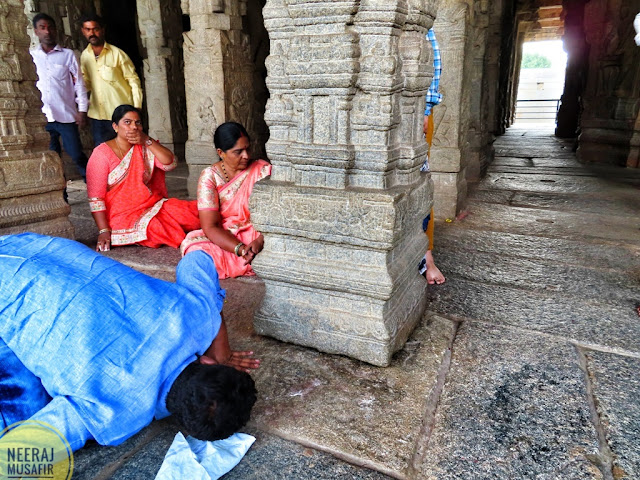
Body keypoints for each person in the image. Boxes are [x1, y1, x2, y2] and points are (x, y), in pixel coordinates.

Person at [0, 232, 259, 451]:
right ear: (182, 422)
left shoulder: (199, 318)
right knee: (21, 411)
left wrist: (216, 332)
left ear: (207, 360)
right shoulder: (112, 418)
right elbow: (21, 452)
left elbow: (198, 259)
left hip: (32, 245)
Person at [86, 104, 200, 251]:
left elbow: (170, 163)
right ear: (115, 126)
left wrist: (146, 140)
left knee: (188, 212)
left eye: (137, 123)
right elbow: (96, 199)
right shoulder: (101, 154)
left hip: (152, 205)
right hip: (122, 216)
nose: (134, 127)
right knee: (158, 228)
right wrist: (103, 230)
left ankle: (221, 222)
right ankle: (193, 237)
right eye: (127, 122)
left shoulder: (145, 145)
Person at [181, 122, 271, 279]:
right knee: (194, 250)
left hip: (261, 233)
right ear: (221, 152)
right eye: (238, 152)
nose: (246, 155)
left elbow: (275, 216)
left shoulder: (262, 170)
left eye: (247, 148)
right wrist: (241, 249)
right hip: (227, 236)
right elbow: (210, 226)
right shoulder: (210, 177)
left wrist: (260, 240)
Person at [30, 13, 89, 180]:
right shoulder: (32, 57)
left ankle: (94, 188)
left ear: (56, 30)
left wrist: (82, 110)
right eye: (42, 28)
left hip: (66, 115)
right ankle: (60, 197)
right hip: (43, 117)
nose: (47, 31)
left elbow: (79, 83)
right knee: (52, 160)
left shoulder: (68, 55)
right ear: (36, 31)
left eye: (50, 27)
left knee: (76, 154)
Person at [80, 13, 142, 146]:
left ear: (103, 30)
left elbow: (133, 80)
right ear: (83, 31)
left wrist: (136, 107)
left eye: (95, 29)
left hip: (121, 115)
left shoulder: (117, 54)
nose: (92, 33)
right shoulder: (84, 56)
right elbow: (87, 84)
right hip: (98, 116)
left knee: (127, 150)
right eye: (88, 29)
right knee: (103, 152)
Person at [418, 28, 446, 285]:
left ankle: (427, 256)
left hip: (414, 107)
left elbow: (433, 55)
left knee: (418, 178)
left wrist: (425, 109)